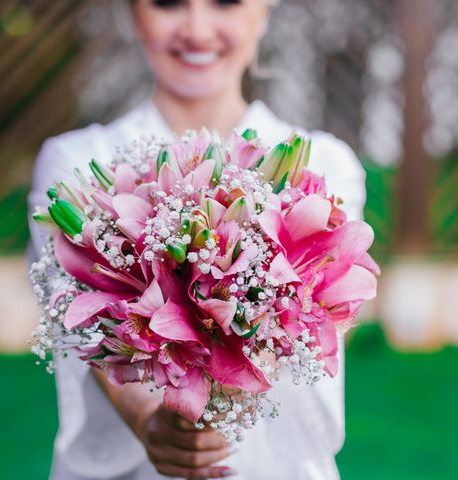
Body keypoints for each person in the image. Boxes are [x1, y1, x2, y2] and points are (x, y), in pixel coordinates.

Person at [28, 1, 367, 478]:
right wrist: (149, 420)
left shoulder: (327, 163)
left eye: (225, 1)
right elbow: (78, 320)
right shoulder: (78, 161)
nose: (197, 29)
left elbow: (325, 314)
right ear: (131, 13)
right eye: (168, 3)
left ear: (265, 10)